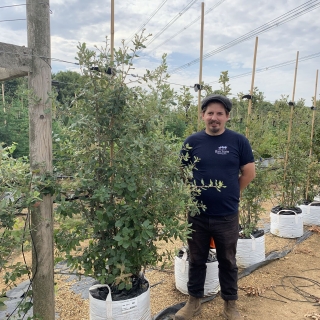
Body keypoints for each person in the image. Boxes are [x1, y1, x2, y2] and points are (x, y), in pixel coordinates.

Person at [176, 94, 256, 320]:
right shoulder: (192, 141)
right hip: (197, 215)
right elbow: (182, 172)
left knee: (228, 261)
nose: (214, 117)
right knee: (196, 258)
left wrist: (233, 193)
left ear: (227, 117)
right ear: (203, 115)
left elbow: (249, 173)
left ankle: (230, 305)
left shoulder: (238, 141)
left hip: (227, 215)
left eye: (220, 113)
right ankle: (194, 302)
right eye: (210, 113)